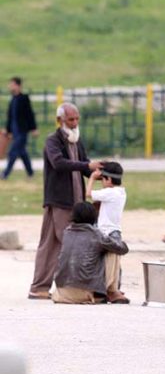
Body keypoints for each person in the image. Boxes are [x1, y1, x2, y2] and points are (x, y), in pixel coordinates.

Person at [28, 103, 101, 300]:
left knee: (54, 244)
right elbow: (59, 164)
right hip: (59, 201)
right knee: (61, 243)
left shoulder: (76, 141)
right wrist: (86, 164)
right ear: (60, 120)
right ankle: (47, 287)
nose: (75, 123)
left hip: (75, 201)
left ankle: (41, 287)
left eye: (77, 119)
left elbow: (84, 167)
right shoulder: (53, 141)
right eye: (71, 119)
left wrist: (99, 172)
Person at [52, 202, 129, 304]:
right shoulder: (95, 234)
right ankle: (112, 292)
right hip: (84, 292)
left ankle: (106, 292)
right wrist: (113, 237)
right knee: (112, 251)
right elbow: (122, 249)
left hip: (62, 292)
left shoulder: (67, 232)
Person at [86, 161, 129, 304]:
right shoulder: (121, 192)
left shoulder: (109, 192)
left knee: (103, 261)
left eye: (103, 179)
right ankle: (115, 288)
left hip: (105, 232)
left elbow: (88, 194)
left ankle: (107, 289)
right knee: (116, 263)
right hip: (116, 231)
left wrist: (92, 178)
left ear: (109, 180)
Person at [2, 77, 37, 179]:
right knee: (22, 152)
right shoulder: (13, 99)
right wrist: (8, 130)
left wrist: (33, 128)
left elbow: (30, 114)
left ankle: (5, 174)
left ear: (18, 86)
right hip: (15, 130)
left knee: (13, 152)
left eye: (12, 84)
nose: (10, 86)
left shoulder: (24, 98)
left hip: (22, 131)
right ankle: (30, 173)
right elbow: (10, 116)